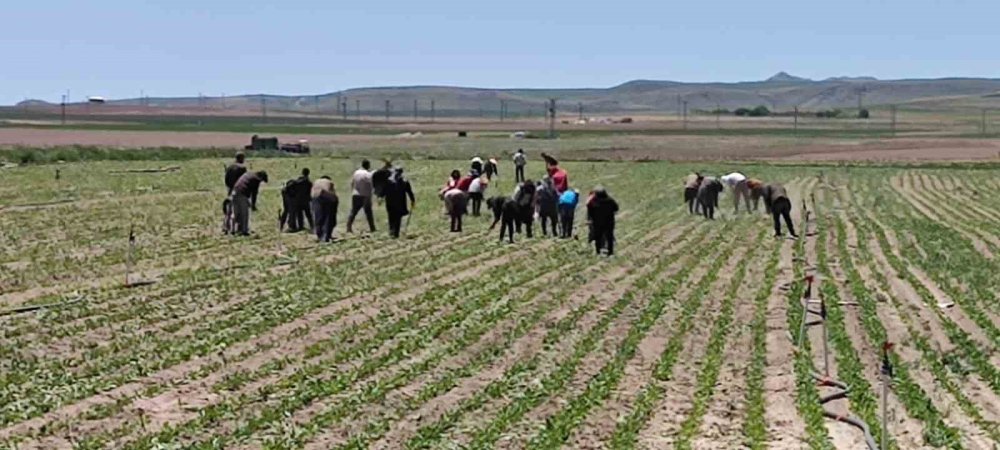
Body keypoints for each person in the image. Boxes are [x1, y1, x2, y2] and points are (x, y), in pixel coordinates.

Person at [381, 166, 415, 238]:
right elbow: (410, 192)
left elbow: (383, 191)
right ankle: (396, 233)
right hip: (399, 203)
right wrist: (413, 200)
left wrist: (381, 197)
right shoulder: (404, 182)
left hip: (390, 203)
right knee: (397, 218)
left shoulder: (389, 181)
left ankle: (391, 231)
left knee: (391, 217)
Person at [232, 171, 268, 236]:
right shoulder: (256, 179)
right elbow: (254, 194)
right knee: (244, 213)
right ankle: (244, 231)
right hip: (242, 193)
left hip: (235, 191)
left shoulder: (248, 174)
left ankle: (233, 229)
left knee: (236, 213)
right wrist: (253, 205)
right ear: (261, 177)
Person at [587, 186, 619, 256]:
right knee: (609, 237)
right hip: (609, 222)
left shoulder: (594, 201)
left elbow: (590, 210)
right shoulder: (610, 200)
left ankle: (598, 251)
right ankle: (610, 252)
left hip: (598, 223)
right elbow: (616, 208)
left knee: (598, 237)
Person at [347, 159, 376, 233]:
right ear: (368, 165)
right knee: (368, 212)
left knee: (353, 211)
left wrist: (352, 191)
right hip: (365, 195)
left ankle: (348, 227)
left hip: (356, 194)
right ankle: (372, 228)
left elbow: (352, 183)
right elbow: (374, 177)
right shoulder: (368, 174)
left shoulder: (356, 172)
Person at [280, 168, 313, 232]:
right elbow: (310, 193)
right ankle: (310, 227)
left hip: (294, 199)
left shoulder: (297, 181)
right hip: (301, 200)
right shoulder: (308, 182)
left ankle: (286, 227)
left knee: (291, 212)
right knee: (307, 214)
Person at [311, 176, 339, 242]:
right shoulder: (329, 182)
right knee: (328, 218)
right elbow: (332, 194)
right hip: (327, 198)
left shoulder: (316, 181)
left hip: (316, 197)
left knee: (319, 217)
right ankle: (326, 236)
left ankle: (319, 235)